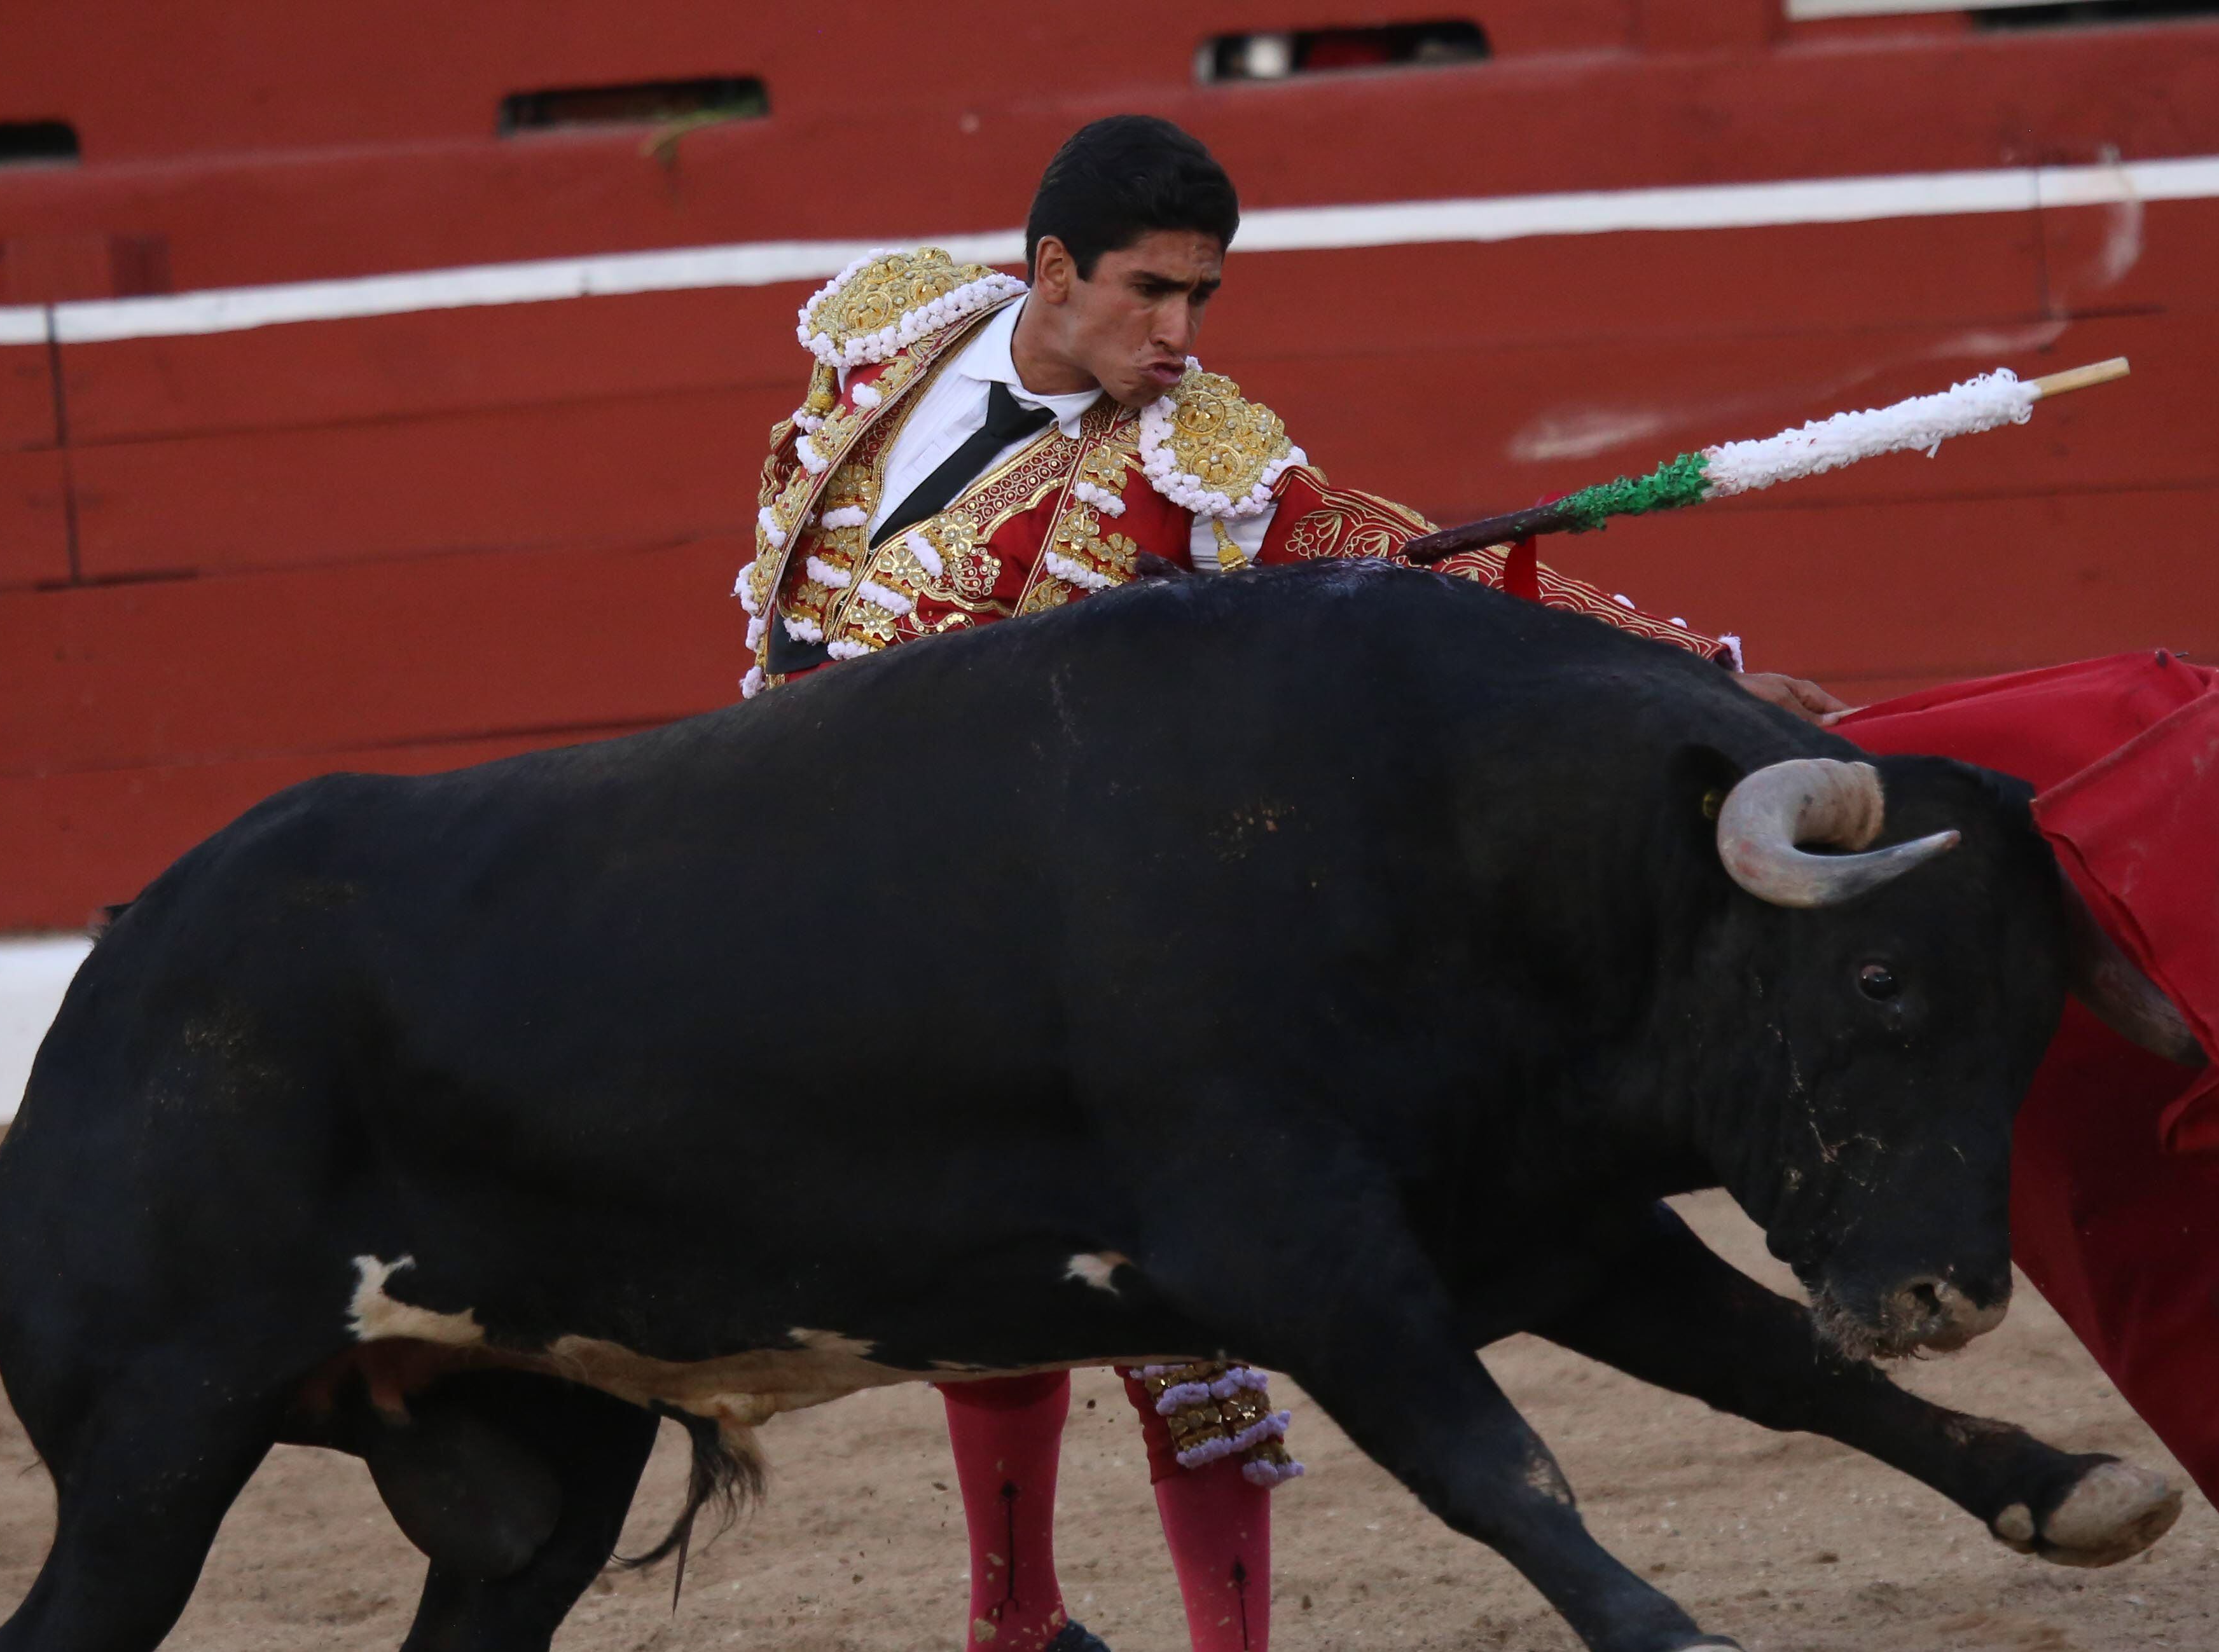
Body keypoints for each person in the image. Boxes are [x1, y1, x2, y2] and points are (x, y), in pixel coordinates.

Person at [728, 115, 1840, 1652]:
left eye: (1205, 297)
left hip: (1047, 932)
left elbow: (1418, 575)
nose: (1180, 334)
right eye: (1151, 292)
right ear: (1051, 272)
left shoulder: (1206, 461)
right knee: (977, 1279)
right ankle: (1015, 1625)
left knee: (1187, 1327)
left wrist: (1691, 674)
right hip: (822, 888)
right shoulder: (891, 329)